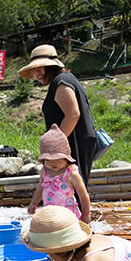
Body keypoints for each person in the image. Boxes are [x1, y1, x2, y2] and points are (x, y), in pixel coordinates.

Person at [18, 44, 97, 187]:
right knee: (70, 189)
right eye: (34, 69)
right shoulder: (63, 80)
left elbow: (73, 114)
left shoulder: (61, 82)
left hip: (73, 143)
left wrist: (55, 146)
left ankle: (77, 210)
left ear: (52, 66)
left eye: (40, 67)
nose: (37, 73)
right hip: (73, 142)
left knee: (71, 188)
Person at [27, 126, 91, 224]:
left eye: (58, 159)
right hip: (50, 215)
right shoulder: (45, 172)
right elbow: (40, 189)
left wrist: (86, 214)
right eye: (48, 160)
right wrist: (33, 203)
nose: (53, 163)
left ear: (66, 158)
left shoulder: (71, 174)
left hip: (68, 215)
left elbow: (83, 195)